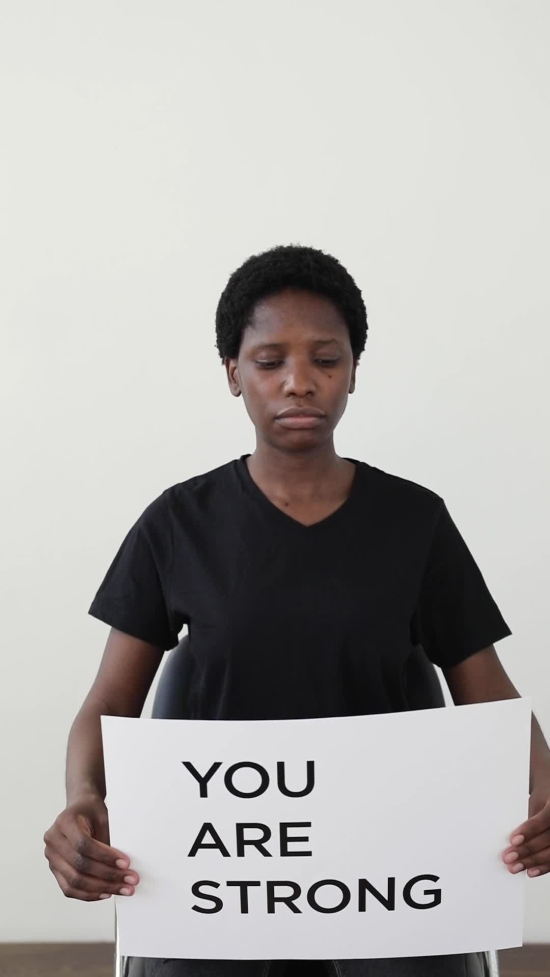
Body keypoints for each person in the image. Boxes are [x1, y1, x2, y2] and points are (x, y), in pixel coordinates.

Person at [44, 244, 550, 977]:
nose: (300, 382)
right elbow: (109, 701)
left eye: (326, 359)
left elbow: (489, 693)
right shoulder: (179, 524)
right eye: (269, 360)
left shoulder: (415, 522)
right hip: (222, 884)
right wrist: (83, 799)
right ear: (232, 373)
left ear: (354, 370)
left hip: (392, 880)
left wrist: (544, 791)